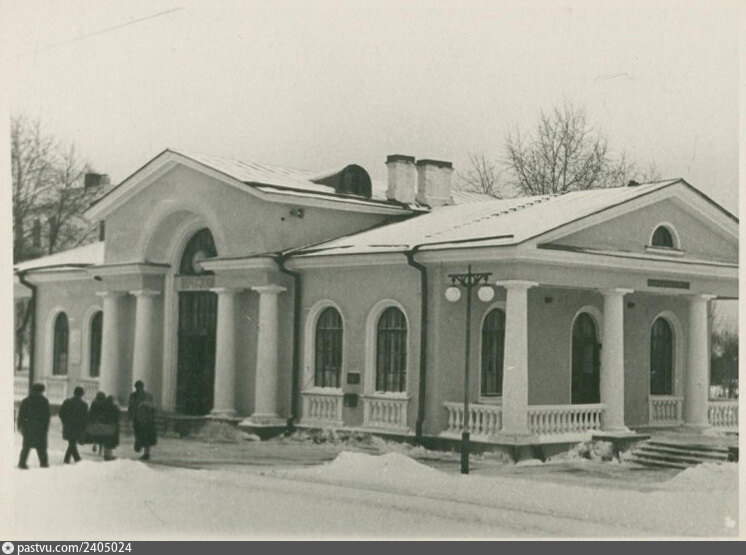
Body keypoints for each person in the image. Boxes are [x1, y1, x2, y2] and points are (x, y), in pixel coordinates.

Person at [17, 383, 51, 469]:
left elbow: (21, 415)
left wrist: (20, 426)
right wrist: (46, 427)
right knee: (41, 447)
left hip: (28, 427)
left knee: (26, 446)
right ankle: (43, 463)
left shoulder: (26, 401)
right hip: (40, 428)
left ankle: (22, 463)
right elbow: (47, 416)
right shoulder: (44, 401)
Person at [86, 391, 119, 461]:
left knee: (102, 438)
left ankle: (100, 449)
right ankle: (107, 455)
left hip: (96, 426)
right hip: (106, 426)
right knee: (108, 439)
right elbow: (113, 414)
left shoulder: (94, 404)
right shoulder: (107, 405)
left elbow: (90, 415)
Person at [59, 386, 88, 464]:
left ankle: (74, 459)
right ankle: (74, 459)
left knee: (72, 442)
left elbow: (61, 413)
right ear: (82, 394)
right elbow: (85, 418)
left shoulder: (67, 402)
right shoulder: (84, 405)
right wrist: (83, 428)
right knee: (72, 442)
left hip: (68, 426)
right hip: (77, 427)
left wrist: (64, 421)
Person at [128, 381, 157, 461]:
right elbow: (130, 407)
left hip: (146, 420)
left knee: (146, 437)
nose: (139, 388)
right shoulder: (133, 396)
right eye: (137, 387)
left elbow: (153, 406)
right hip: (137, 419)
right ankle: (140, 447)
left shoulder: (148, 396)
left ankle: (146, 453)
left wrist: (145, 404)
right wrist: (131, 416)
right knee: (139, 435)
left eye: (140, 387)